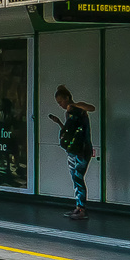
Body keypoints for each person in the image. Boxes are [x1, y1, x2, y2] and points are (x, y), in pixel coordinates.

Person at [50, 85, 96, 220]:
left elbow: (91, 108)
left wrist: (74, 105)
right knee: (77, 179)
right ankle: (79, 207)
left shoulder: (77, 109)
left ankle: (81, 208)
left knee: (78, 178)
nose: (61, 105)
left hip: (80, 150)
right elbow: (70, 132)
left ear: (67, 98)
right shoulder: (70, 113)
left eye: (61, 102)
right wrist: (59, 122)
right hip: (77, 149)